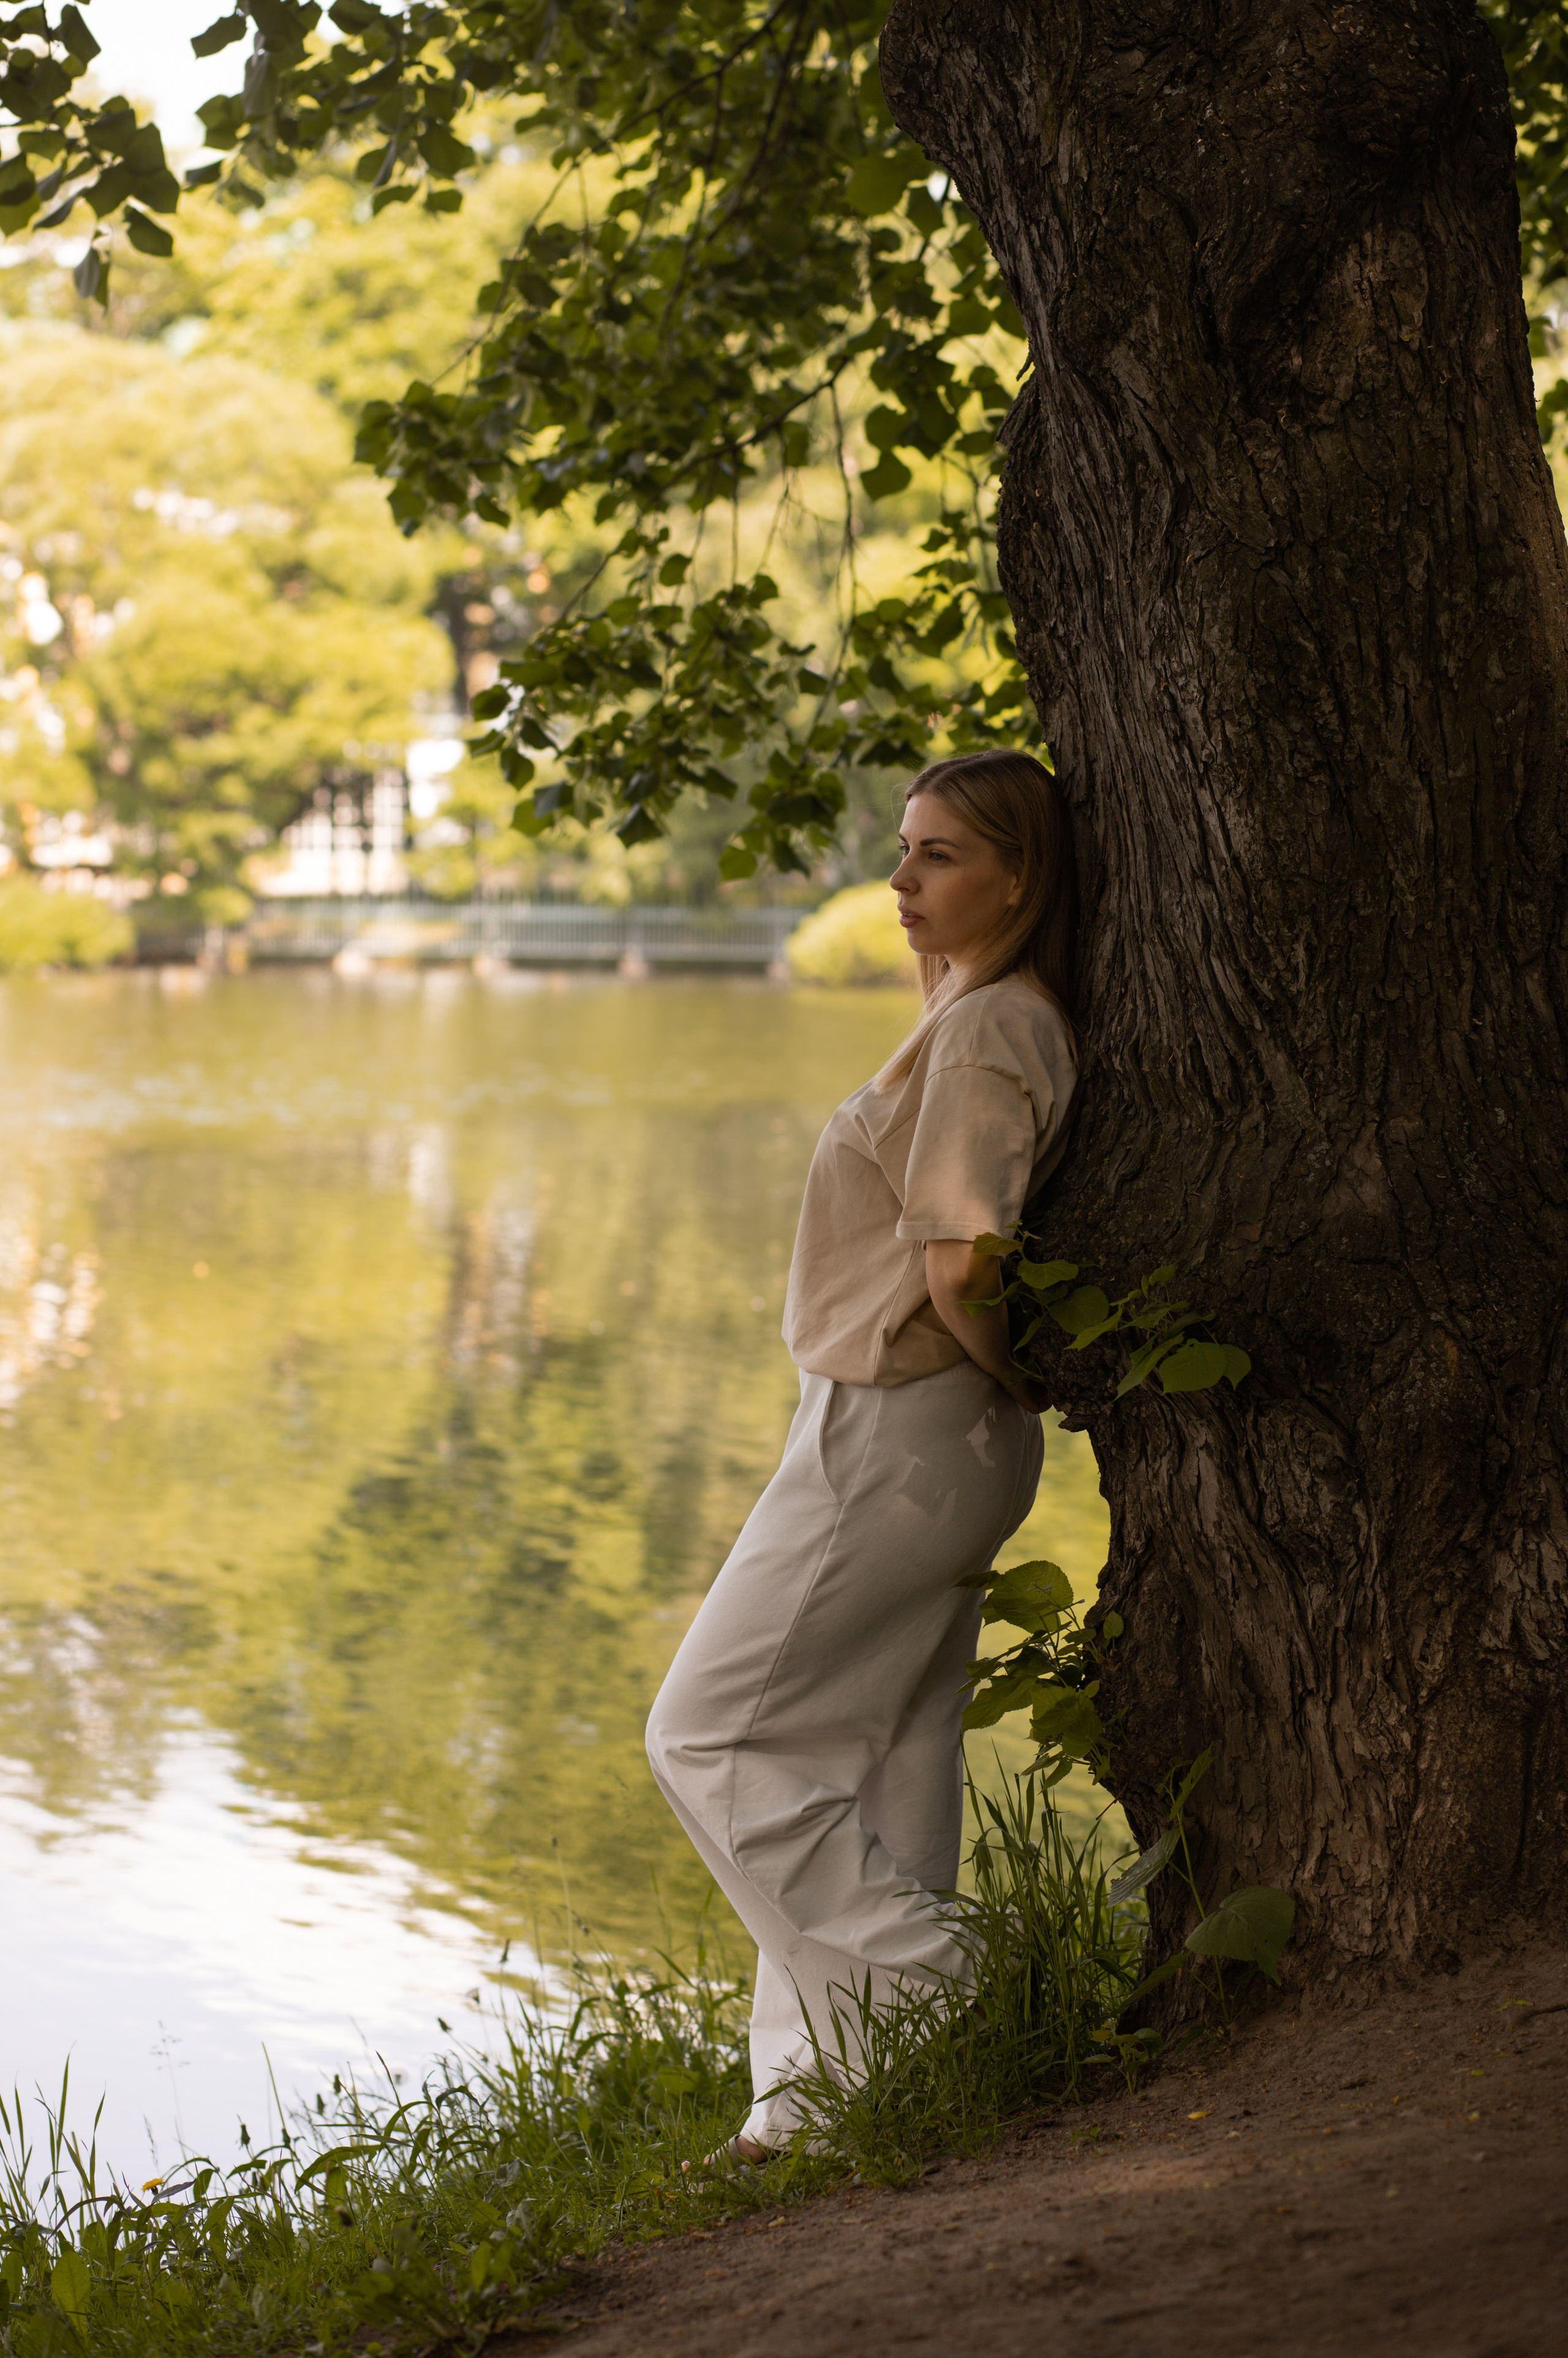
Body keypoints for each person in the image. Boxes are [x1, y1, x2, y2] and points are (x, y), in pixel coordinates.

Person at [646, 749, 1079, 2160]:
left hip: (899, 1425)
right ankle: (818, 2098)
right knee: (876, 1754)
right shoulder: (970, 1010)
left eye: (938, 854)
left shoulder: (983, 1029)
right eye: (904, 849)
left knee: (703, 1733)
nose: (899, 878)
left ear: (1019, 873)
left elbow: (963, 1263)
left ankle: (945, 1993)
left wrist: (1010, 1383)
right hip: (930, 1429)